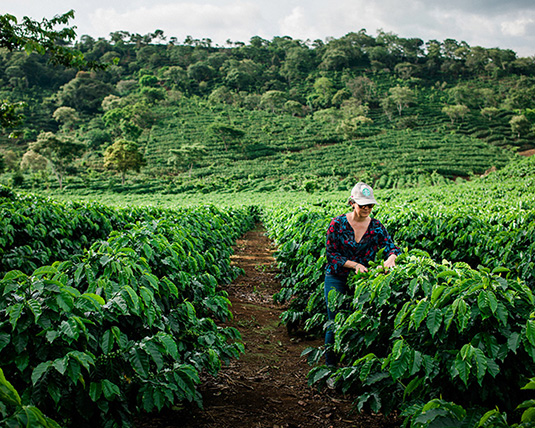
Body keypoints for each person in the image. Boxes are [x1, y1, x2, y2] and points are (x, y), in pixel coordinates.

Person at [323, 182, 401, 366]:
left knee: (360, 319)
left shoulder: (376, 226)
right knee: (334, 320)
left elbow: (391, 246)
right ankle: (331, 366)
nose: (366, 208)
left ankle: (353, 365)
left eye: (370, 205)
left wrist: (391, 258)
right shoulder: (337, 224)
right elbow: (331, 255)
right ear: (352, 203)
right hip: (337, 277)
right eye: (362, 205)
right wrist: (354, 265)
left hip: (363, 279)